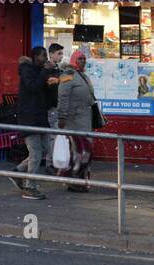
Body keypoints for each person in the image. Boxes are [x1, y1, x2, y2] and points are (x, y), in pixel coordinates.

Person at [54, 49, 100, 192]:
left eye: (84, 59)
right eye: (79, 59)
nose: (82, 61)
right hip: (73, 120)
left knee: (85, 152)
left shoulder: (84, 76)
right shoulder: (68, 75)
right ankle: (73, 181)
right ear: (74, 60)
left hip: (85, 120)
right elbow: (63, 96)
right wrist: (61, 116)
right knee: (80, 152)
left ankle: (81, 181)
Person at [12, 46, 51, 200]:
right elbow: (33, 87)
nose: (46, 58)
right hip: (29, 117)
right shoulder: (27, 70)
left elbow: (42, 90)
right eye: (43, 56)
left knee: (45, 149)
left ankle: (18, 171)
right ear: (35, 56)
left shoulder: (40, 71)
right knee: (35, 152)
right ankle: (30, 187)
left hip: (40, 116)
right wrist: (45, 73)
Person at [45, 43, 65, 129]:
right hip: (50, 107)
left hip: (57, 106)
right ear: (51, 54)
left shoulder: (58, 69)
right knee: (52, 135)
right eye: (59, 53)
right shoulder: (46, 69)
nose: (61, 56)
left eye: (62, 54)